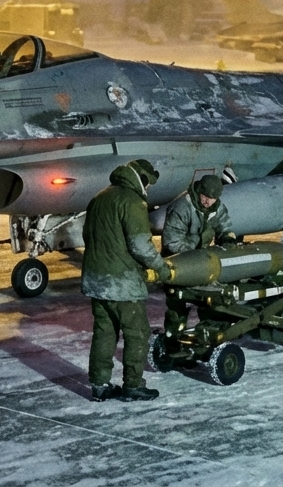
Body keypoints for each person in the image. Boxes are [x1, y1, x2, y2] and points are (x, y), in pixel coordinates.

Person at [82, 159, 170, 402]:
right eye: (148, 183)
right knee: (137, 332)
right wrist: (161, 268)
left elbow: (86, 234)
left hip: (95, 280)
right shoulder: (132, 202)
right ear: (140, 178)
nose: (149, 188)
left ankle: (99, 385)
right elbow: (141, 245)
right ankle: (133, 385)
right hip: (121, 283)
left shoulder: (100, 197)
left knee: (104, 332)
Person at [160, 174, 234, 338]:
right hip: (177, 263)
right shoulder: (182, 208)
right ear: (198, 191)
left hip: (201, 264)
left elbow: (225, 225)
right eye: (206, 196)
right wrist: (198, 254)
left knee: (209, 303)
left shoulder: (216, 208)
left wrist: (228, 238)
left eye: (213, 198)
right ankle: (173, 341)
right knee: (176, 308)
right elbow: (172, 243)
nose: (208, 202)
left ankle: (206, 337)